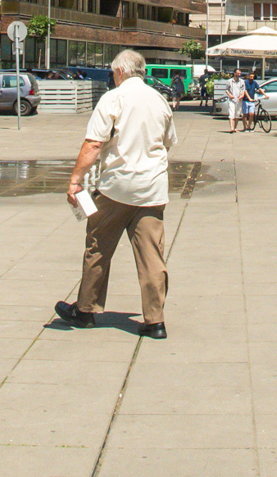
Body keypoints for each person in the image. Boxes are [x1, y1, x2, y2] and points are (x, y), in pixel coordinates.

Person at [58, 49, 177, 339]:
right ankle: (155, 320)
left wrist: (75, 181)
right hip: (151, 189)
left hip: (116, 187)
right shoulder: (159, 100)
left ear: (120, 72)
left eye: (113, 72)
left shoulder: (113, 98)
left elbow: (94, 144)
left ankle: (86, 310)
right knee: (151, 255)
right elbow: (168, 141)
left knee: (98, 246)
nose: (113, 77)